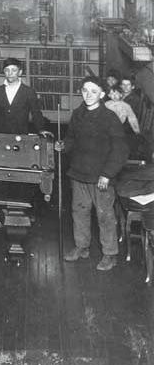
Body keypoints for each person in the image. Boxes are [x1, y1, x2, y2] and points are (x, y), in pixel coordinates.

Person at [59, 76, 127, 271]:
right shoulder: (78, 114)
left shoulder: (109, 118)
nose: (88, 95)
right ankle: (82, 247)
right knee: (79, 212)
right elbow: (71, 138)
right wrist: (63, 146)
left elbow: (120, 150)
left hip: (101, 177)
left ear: (102, 95)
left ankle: (110, 254)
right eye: (85, 90)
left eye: (94, 91)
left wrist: (107, 174)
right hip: (79, 173)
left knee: (104, 216)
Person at [0, 57, 46, 134]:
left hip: (21, 135)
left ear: (20, 72)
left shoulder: (29, 91)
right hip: (1, 135)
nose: (10, 73)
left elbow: (36, 114)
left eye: (14, 70)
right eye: (7, 70)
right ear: (4, 72)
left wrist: (41, 129)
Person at [105, 85, 143, 161]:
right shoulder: (106, 104)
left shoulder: (126, 106)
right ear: (109, 95)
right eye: (112, 94)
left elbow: (132, 118)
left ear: (121, 95)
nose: (114, 96)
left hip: (119, 128)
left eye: (117, 93)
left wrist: (136, 130)